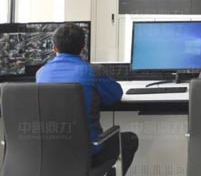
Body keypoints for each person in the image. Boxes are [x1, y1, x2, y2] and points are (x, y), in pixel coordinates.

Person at [36, 24, 139, 176]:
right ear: (83, 47)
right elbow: (115, 95)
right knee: (129, 139)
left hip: (51, 155)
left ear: (54, 48)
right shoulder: (93, 71)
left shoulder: (41, 73)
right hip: (89, 153)